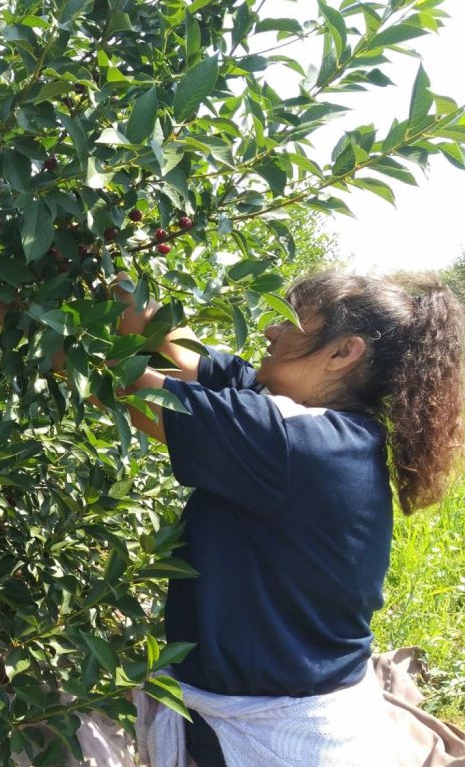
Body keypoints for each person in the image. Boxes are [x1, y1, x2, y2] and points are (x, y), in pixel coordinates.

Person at [99, 270, 465, 766]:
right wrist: (107, 262)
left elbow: (117, 382)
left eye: (294, 320)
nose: (271, 331)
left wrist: (23, 320)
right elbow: (173, 349)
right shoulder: (321, 422)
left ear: (343, 353)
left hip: (274, 730)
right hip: (292, 697)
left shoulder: (295, 443)